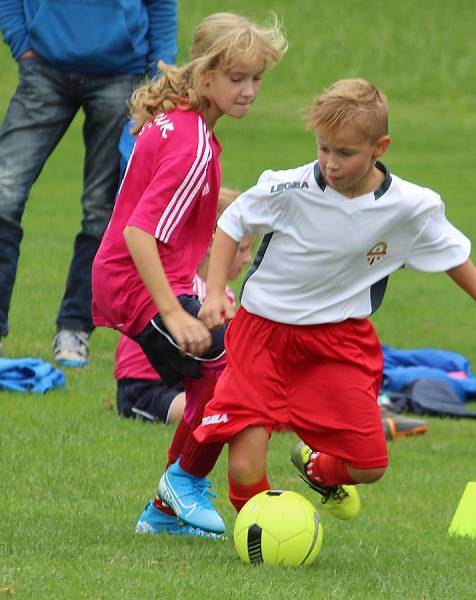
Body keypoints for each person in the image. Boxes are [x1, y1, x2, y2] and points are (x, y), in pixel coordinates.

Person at [154, 78, 476, 534]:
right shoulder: (288, 187)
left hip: (339, 342)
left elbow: (452, 253)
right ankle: (266, 540)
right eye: (323, 148)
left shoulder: (411, 206)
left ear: (379, 147)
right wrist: (212, 294)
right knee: (244, 468)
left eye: (345, 153)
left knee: (369, 464)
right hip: (261, 335)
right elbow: (231, 222)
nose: (330, 162)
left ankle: (318, 471)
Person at [91, 12, 287, 537]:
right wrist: (175, 311)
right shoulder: (192, 142)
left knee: (220, 371)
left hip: (151, 279)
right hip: (138, 284)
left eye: (256, 78)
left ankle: (163, 511)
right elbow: (139, 233)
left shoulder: (186, 125)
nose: (249, 91)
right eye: (237, 78)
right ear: (205, 79)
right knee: (231, 372)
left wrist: (210, 292)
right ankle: (182, 482)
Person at [0, 0, 178, 365]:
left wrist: (158, 80)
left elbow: (161, 5)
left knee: (102, 208)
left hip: (121, 76)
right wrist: (22, 43)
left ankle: (74, 327)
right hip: (43, 69)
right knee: (3, 194)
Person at [114, 188, 254, 424]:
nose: (248, 257)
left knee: (234, 405)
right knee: (219, 413)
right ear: (213, 243)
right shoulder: (187, 291)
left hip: (184, 381)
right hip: (144, 390)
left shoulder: (221, 294)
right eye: (242, 249)